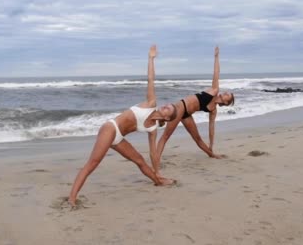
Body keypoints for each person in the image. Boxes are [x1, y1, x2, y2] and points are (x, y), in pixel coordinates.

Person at [68, 45, 177, 207]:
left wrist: (157, 171)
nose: (166, 105)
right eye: (167, 105)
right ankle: (72, 198)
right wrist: (151, 59)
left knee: (140, 160)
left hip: (118, 138)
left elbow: (153, 153)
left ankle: (158, 181)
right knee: (93, 163)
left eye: (169, 108)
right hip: (110, 128)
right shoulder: (151, 103)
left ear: (167, 118)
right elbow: (150, 79)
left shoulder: (153, 129)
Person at [153, 46, 234, 179]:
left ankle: (211, 154)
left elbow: (211, 127)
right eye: (227, 93)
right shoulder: (214, 90)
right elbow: (216, 73)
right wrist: (216, 57)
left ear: (226, 103)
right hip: (179, 108)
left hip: (187, 115)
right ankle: (155, 164)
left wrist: (211, 145)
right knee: (165, 138)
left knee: (197, 139)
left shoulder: (213, 111)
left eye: (228, 96)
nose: (225, 93)